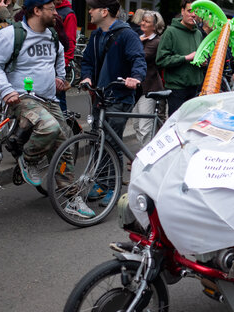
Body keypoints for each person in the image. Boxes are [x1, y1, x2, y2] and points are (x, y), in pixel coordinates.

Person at [0, 0, 89, 215]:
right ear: (37, 11)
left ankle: (72, 199)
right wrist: (5, 90)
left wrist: (60, 78)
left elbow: (58, 59)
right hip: (21, 98)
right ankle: (28, 158)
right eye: (51, 9)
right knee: (49, 127)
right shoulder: (11, 35)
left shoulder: (52, 35)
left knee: (64, 148)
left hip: (49, 100)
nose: (56, 13)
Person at [80, 0, 146, 206]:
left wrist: (135, 77)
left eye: (92, 8)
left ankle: (113, 187)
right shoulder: (97, 35)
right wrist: (87, 77)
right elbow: (87, 61)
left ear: (104, 11)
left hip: (119, 96)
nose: (89, 12)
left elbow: (138, 59)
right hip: (100, 96)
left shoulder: (127, 34)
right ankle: (103, 183)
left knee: (112, 141)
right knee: (100, 140)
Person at [156, 0, 203, 115]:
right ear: (182, 11)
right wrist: (185, 58)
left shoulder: (198, 34)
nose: (193, 14)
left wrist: (203, 62)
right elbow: (161, 60)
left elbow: (199, 57)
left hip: (195, 88)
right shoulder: (170, 32)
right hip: (177, 89)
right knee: (176, 125)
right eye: (190, 11)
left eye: (196, 12)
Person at [132, 10, 165, 149]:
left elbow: (139, 56)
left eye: (147, 21)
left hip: (149, 89)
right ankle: (144, 151)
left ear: (155, 26)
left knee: (145, 126)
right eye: (143, 20)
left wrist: (136, 43)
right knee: (136, 125)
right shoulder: (140, 38)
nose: (143, 23)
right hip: (137, 89)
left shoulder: (156, 42)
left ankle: (146, 159)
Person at [54, 0, 77, 113]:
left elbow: (70, 42)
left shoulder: (68, 13)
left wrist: (63, 64)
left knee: (59, 103)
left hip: (58, 66)